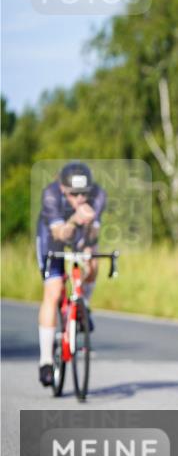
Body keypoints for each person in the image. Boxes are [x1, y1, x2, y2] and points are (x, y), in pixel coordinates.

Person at [36, 162, 107, 387]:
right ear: (62, 188)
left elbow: (92, 236)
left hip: (78, 235)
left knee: (93, 263)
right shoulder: (50, 196)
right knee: (54, 291)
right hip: (53, 238)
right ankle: (46, 361)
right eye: (74, 194)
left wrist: (87, 246)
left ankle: (82, 305)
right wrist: (76, 219)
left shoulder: (98, 196)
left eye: (83, 194)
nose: (79, 199)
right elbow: (61, 233)